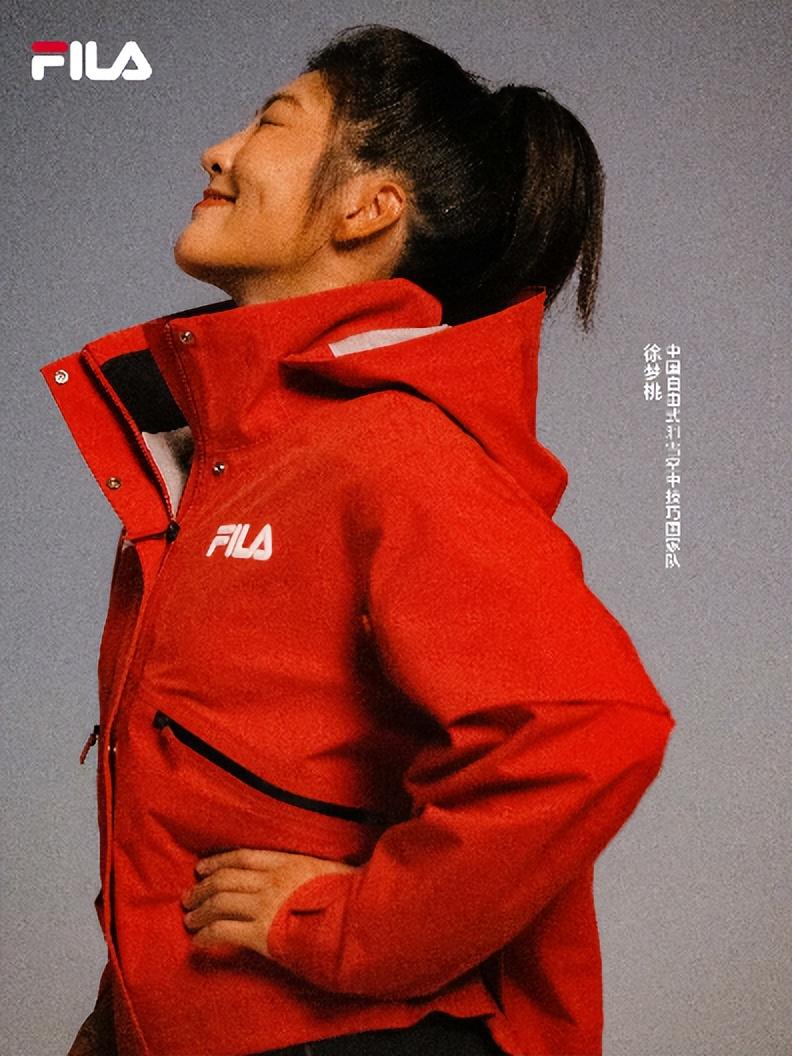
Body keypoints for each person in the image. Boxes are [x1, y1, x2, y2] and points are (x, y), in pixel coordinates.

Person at [43, 24, 675, 1056]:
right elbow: (219, 781)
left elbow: (588, 726)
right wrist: (121, 1024)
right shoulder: (244, 457)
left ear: (369, 207)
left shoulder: (394, 446)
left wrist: (348, 928)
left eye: (271, 123)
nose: (218, 150)